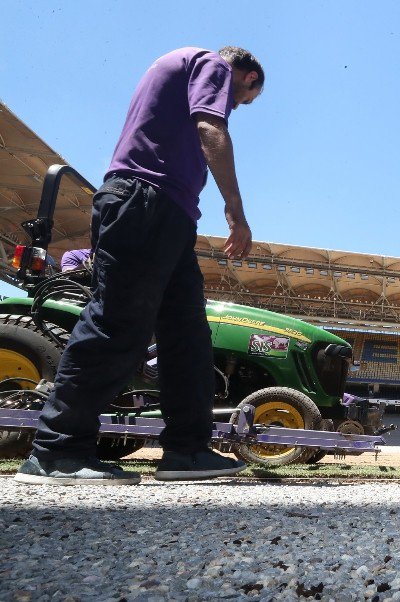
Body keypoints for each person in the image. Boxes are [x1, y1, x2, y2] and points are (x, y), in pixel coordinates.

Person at [16, 46, 264, 485]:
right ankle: (57, 450)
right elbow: (210, 124)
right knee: (118, 321)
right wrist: (236, 210)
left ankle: (187, 451)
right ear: (248, 78)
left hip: (168, 213)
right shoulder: (213, 64)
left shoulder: (180, 66)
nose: (237, 104)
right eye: (246, 99)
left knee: (187, 336)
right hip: (146, 200)